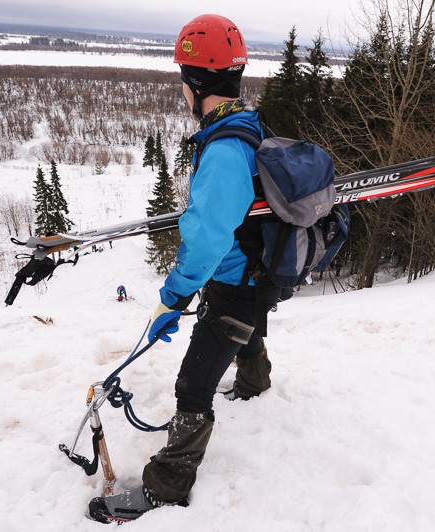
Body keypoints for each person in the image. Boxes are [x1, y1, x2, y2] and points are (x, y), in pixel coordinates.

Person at [87, 14, 282, 524]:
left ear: (195, 83)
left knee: (193, 386)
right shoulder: (246, 124)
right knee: (238, 322)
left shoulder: (223, 151)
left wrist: (172, 298)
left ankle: (167, 487)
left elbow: (208, 239)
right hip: (249, 275)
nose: (180, 88)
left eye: (182, 78)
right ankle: (255, 381)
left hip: (240, 280)